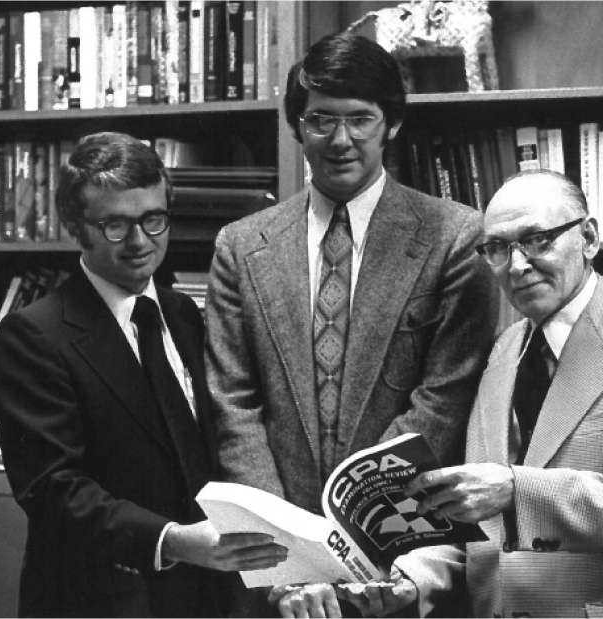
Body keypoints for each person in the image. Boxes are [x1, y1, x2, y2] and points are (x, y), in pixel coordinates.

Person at [204, 33, 497, 617]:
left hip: (405, 560)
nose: (341, 141)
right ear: (297, 126)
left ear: (391, 124)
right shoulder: (240, 246)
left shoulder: (455, 237)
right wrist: (289, 552)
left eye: (361, 119)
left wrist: (351, 543)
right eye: (321, 121)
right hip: (275, 570)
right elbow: (232, 404)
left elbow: (444, 400)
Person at [342, 169, 603, 618]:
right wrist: (413, 576)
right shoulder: (502, 351)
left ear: (588, 238)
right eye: (496, 249)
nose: (516, 265)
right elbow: (483, 526)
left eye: (538, 240)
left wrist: (515, 490)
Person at [0, 132, 287, 619]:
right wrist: (173, 541)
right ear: (73, 226)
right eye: (114, 225)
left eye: (153, 220)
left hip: (204, 595)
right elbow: (53, 489)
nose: (139, 242)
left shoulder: (183, 314)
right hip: (103, 597)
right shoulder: (33, 336)